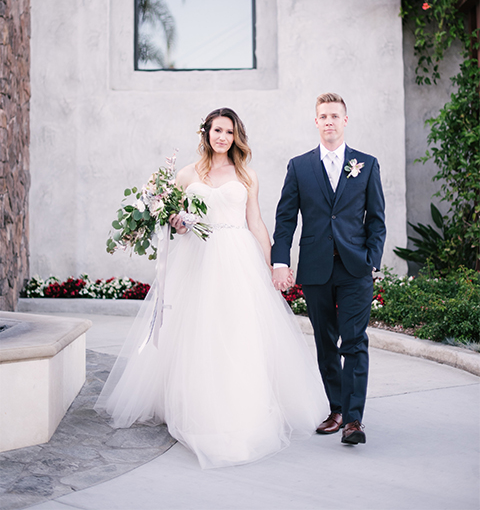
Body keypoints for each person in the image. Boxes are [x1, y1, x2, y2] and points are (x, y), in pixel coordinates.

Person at [95, 108, 324, 469]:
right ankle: (195, 400)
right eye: (217, 130)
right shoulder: (187, 174)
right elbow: (178, 224)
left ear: (236, 137)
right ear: (206, 133)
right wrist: (178, 223)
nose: (223, 137)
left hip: (237, 257)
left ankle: (239, 402)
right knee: (196, 330)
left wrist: (274, 265)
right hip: (197, 258)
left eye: (229, 132)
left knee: (237, 330)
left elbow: (257, 223)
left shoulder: (246, 175)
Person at [271, 93, 386, 445]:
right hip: (316, 269)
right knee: (325, 343)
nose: (329, 121)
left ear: (345, 120)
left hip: (355, 270)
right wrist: (280, 260)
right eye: (323, 116)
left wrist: (371, 261)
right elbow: (285, 218)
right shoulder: (299, 166)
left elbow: (377, 221)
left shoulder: (367, 164)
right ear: (316, 121)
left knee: (354, 342)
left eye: (335, 115)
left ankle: (353, 420)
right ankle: (336, 409)